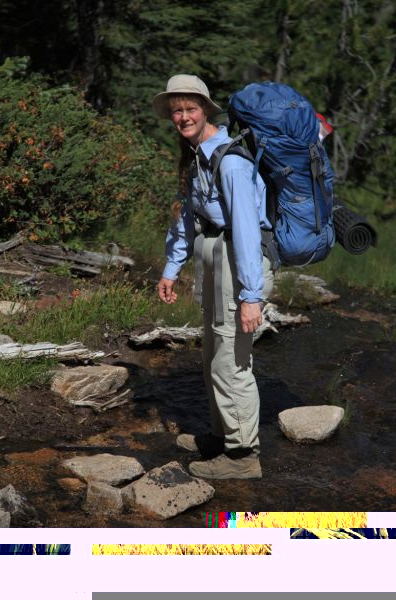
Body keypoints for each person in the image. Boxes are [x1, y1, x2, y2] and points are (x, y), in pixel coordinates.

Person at [153, 74, 274, 479]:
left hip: (238, 265)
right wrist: (173, 268)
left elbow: (244, 230)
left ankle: (243, 457)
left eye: (189, 109)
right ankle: (223, 436)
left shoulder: (231, 161)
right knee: (212, 357)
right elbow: (188, 218)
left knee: (231, 362)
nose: (182, 117)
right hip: (215, 260)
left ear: (206, 110)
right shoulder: (195, 156)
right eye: (176, 111)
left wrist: (251, 296)